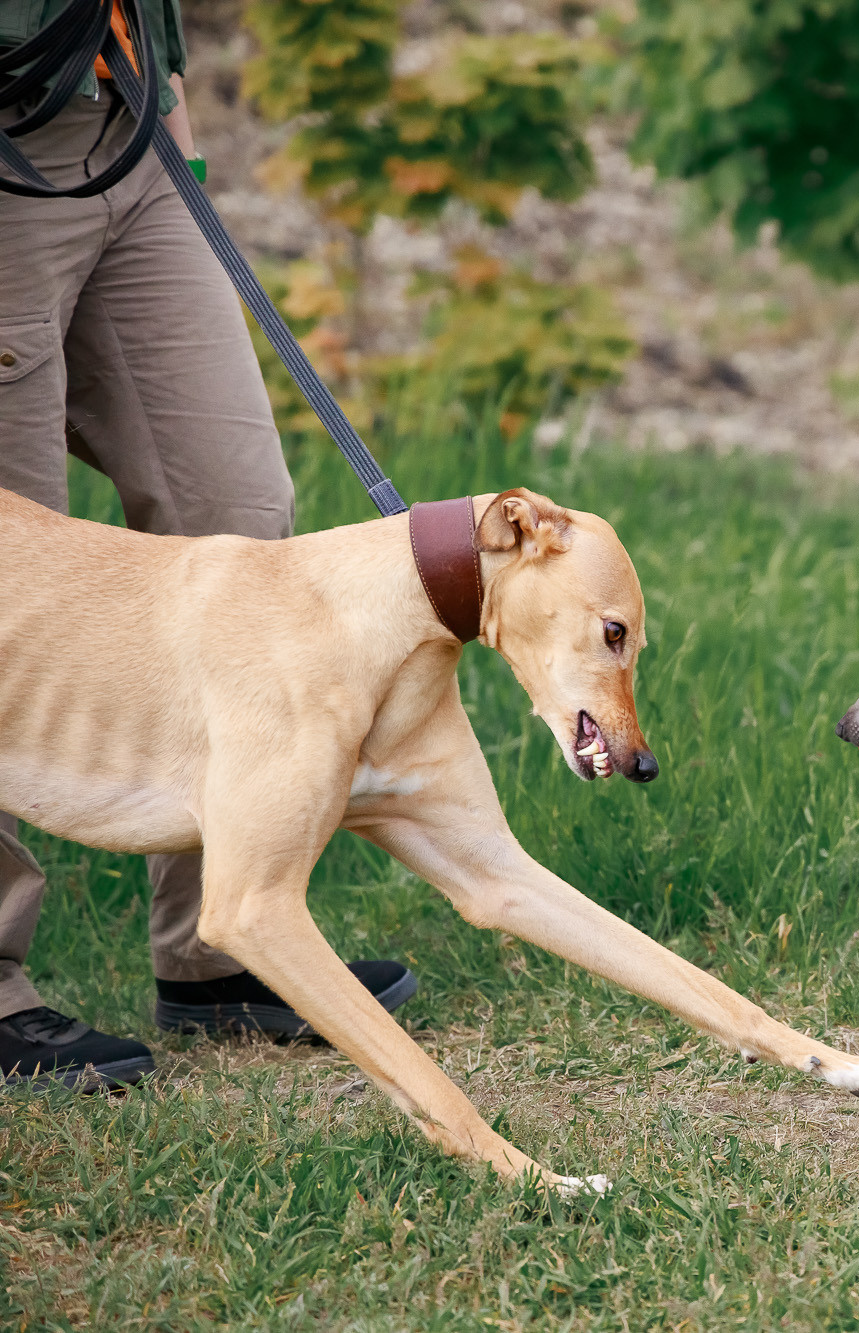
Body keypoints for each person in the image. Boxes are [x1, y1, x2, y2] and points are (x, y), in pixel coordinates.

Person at [0, 0, 414, 1088]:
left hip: (127, 124)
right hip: (8, 143)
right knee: (8, 582)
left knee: (236, 512)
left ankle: (219, 941)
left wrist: (167, 95)